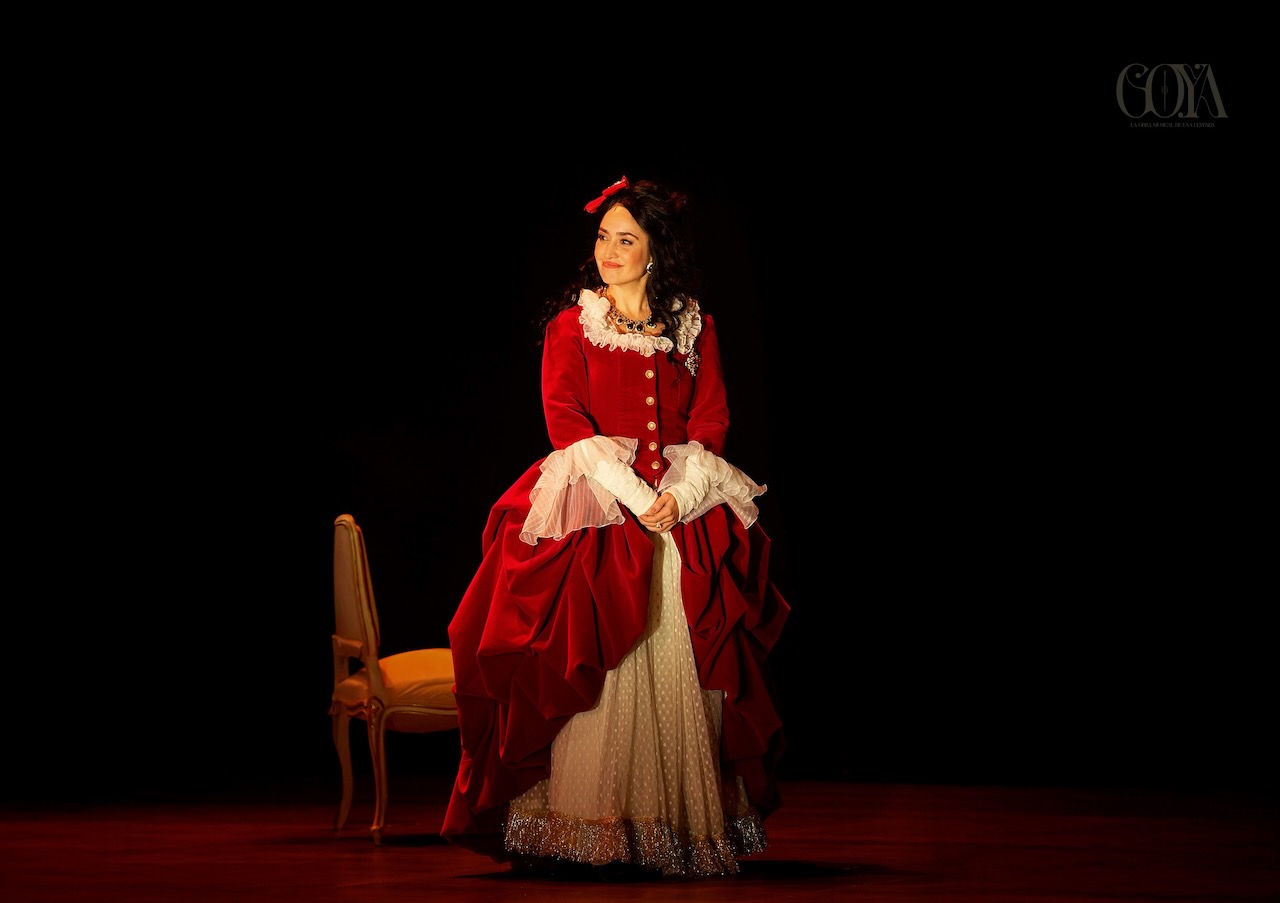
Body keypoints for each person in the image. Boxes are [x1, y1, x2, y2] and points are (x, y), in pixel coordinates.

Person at [441, 175, 790, 880]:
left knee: (685, 656)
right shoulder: (573, 325)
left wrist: (682, 495)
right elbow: (566, 420)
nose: (609, 251)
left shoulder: (694, 326)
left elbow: (710, 418)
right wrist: (635, 495)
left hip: (680, 512)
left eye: (626, 239)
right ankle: (587, 830)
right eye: (604, 237)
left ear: (657, 250)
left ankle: (668, 828)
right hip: (598, 507)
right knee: (591, 654)